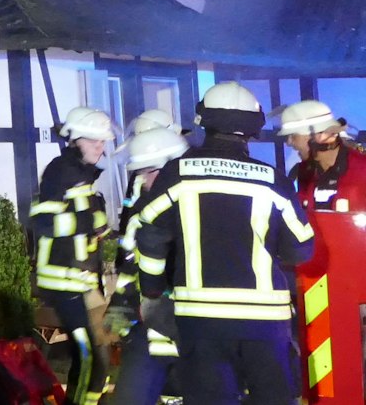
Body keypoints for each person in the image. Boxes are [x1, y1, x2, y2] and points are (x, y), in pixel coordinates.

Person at [133, 82, 315, 405]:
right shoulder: (273, 180)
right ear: (252, 129)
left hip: (201, 322)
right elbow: (302, 248)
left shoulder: (177, 174)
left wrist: (151, 292)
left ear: (205, 122)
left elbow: (150, 237)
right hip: (265, 325)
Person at [278, 99, 366, 402]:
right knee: (325, 381)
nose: (290, 142)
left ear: (321, 136)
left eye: (295, 135)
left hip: (360, 297)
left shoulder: (363, 169)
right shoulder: (302, 174)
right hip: (318, 290)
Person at [31, 105, 116, 404]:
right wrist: (88, 222)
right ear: (75, 139)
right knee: (90, 355)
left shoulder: (82, 176)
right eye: (93, 140)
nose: (100, 146)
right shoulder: (59, 171)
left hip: (83, 283)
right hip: (64, 283)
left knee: (97, 355)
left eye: (103, 141)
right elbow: (41, 221)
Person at [104, 125, 189, 405]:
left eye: (149, 172)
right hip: (150, 331)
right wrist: (119, 306)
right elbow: (131, 264)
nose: (144, 180)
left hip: (190, 332)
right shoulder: (144, 210)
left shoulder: (198, 209)